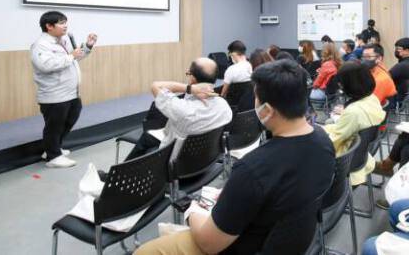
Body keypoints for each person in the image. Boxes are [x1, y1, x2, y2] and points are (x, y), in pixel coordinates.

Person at [135, 60, 336, 255]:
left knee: (145, 251)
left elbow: (208, 244)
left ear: (267, 110)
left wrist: (192, 209)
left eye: (256, 97)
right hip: (287, 241)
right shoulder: (324, 142)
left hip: (242, 245)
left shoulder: (252, 169)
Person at [124, 58, 232, 161]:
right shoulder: (224, 106)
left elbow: (155, 86)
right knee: (148, 137)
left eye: (188, 74)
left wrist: (189, 88)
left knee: (148, 138)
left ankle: (120, 173)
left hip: (174, 165)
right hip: (206, 161)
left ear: (192, 78)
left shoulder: (182, 109)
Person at [30, 11, 97, 168]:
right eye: (61, 23)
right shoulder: (41, 44)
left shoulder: (63, 40)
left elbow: (75, 57)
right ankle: (53, 157)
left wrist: (87, 46)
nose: (65, 26)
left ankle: (53, 149)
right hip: (54, 94)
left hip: (71, 92)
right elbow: (46, 65)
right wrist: (71, 56)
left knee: (69, 119)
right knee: (54, 126)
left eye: (65, 22)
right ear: (49, 26)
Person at [323, 62, 385, 185]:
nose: (340, 86)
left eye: (341, 84)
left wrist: (315, 135)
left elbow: (334, 141)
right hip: (361, 155)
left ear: (350, 85)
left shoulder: (353, 112)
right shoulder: (372, 98)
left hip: (345, 160)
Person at [389, 37, 409, 103]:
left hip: (395, 98)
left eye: (398, 49)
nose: (396, 51)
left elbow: (386, 78)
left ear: (407, 51)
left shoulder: (402, 66)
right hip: (402, 96)